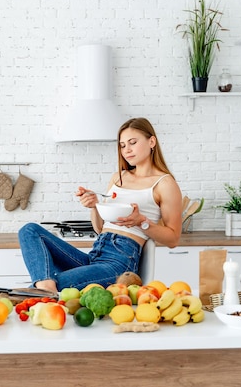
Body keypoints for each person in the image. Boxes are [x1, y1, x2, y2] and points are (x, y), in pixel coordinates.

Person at [18, 117, 182, 292]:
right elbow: (100, 228)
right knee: (29, 230)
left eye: (133, 142)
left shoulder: (165, 184)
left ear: (152, 141)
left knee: (54, 284)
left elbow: (173, 239)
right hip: (96, 254)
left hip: (120, 263)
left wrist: (141, 221)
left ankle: (45, 290)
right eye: (122, 145)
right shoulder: (119, 177)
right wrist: (94, 206)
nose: (127, 150)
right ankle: (46, 288)